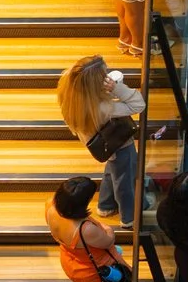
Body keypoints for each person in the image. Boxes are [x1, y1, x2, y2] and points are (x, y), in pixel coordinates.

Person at [56, 54, 145, 222]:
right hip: (120, 145)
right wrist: (117, 88)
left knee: (113, 173)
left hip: (104, 146)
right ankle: (129, 218)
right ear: (95, 83)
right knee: (125, 182)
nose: (107, 76)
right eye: (104, 75)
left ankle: (105, 205)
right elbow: (138, 104)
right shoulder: (104, 108)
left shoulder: (72, 97)